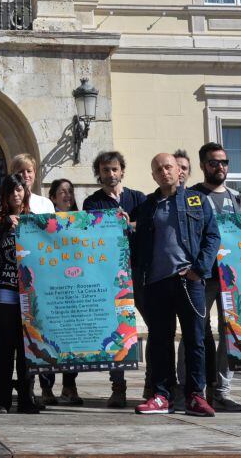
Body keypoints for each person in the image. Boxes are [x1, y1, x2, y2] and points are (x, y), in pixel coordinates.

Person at [133, 154, 219, 417]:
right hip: (156, 282)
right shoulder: (147, 206)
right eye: (158, 169)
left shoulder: (197, 200)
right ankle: (161, 396)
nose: (164, 172)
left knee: (195, 339)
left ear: (178, 171)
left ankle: (195, 396)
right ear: (154, 176)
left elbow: (212, 235)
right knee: (160, 341)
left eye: (168, 167)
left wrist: (199, 269)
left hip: (189, 281)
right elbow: (135, 242)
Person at [178, 142, 241, 413]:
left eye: (224, 162)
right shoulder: (192, 195)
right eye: (213, 163)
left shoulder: (238, 198)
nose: (219, 167)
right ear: (203, 166)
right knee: (193, 331)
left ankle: (222, 392)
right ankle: (187, 389)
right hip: (201, 275)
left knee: (230, 332)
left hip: (232, 277)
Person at [81, 151, 147, 407]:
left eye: (115, 169)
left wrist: (131, 225)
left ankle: (154, 385)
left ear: (122, 171)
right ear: (99, 173)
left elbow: (150, 227)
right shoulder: (92, 202)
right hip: (111, 277)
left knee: (155, 324)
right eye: (106, 170)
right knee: (116, 331)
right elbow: (90, 235)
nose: (111, 174)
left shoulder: (139, 199)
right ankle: (118, 388)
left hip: (139, 272)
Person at [0, 173, 41, 414]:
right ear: (6, 195)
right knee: (6, 345)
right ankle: (4, 399)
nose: (16, 194)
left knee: (27, 347)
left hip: (29, 292)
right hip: (5, 291)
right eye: (11, 191)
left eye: (20, 190)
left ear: (25, 193)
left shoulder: (33, 220)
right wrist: (4, 226)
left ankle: (27, 398)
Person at [37, 178, 79, 406]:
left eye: (70, 191)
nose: (67, 195)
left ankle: (70, 385)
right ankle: (46, 387)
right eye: (62, 192)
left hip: (74, 288)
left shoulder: (83, 222)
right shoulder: (44, 222)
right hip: (50, 288)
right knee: (49, 338)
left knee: (72, 339)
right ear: (52, 197)